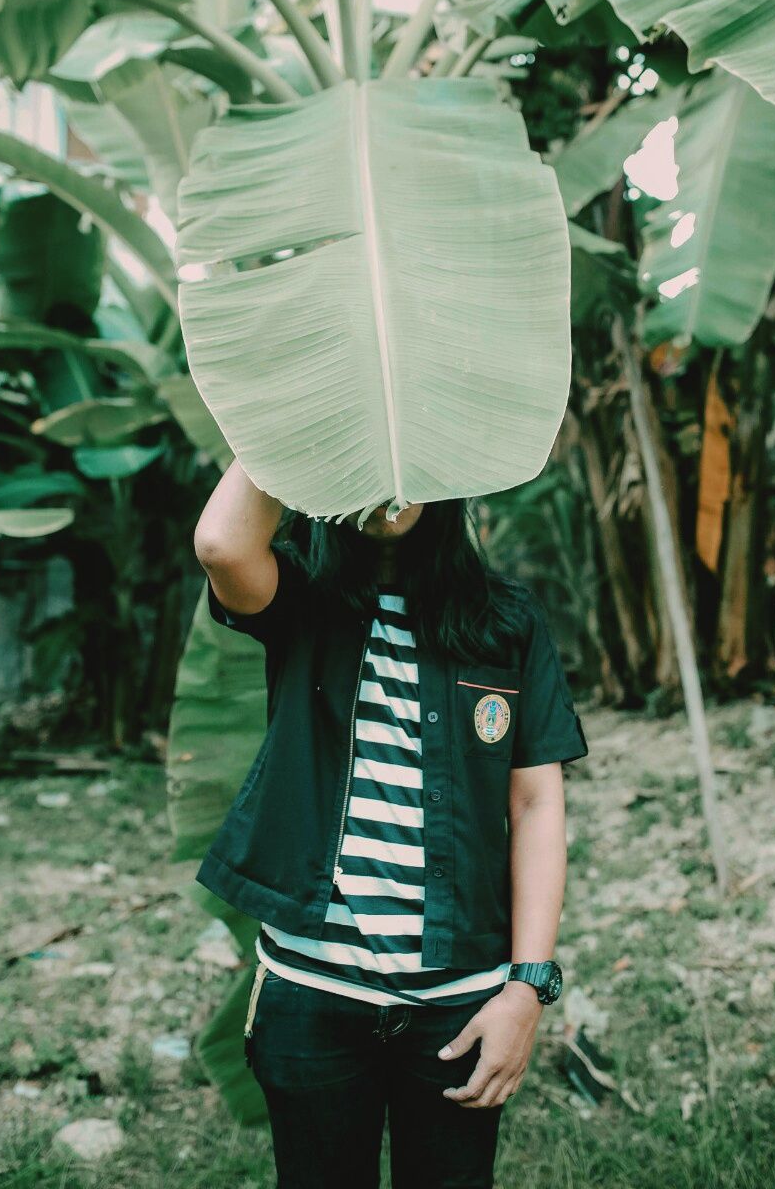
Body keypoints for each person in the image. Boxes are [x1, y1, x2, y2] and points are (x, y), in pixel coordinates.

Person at [193, 461, 589, 1189]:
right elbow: (221, 545)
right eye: (365, 452)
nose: (387, 475)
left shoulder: (506, 619)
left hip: (458, 1004)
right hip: (312, 994)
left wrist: (525, 988)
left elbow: (535, 805)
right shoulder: (299, 598)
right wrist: (301, 421)